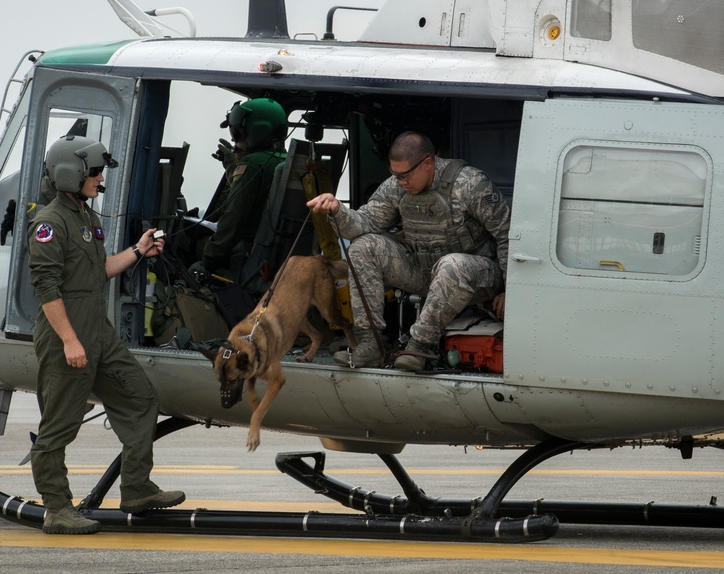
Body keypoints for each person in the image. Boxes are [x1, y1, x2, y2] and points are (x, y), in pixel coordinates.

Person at [28, 134, 185, 535]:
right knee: (59, 427)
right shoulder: (48, 223)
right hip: (68, 332)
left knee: (140, 397)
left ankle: (136, 488)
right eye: (95, 173)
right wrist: (69, 340)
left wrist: (138, 251)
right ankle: (57, 509)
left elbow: (96, 272)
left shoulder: (87, 218)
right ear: (72, 174)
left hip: (97, 330)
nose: (101, 180)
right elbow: (47, 288)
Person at [306, 131, 509, 371]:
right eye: (395, 175)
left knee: (452, 264)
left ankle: (419, 347)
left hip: (479, 276)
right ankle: (370, 344)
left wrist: (510, 291)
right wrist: (337, 210)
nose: (400, 181)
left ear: (427, 163)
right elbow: (364, 224)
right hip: (425, 270)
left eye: (405, 175)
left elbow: (507, 235)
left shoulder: (470, 184)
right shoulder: (397, 186)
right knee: (362, 247)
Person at [190, 98, 288, 280]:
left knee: (188, 239)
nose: (235, 139)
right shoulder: (288, 162)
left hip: (252, 255)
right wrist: (231, 166)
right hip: (281, 256)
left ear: (251, 132)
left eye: (238, 133)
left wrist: (207, 263)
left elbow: (234, 219)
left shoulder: (251, 165)